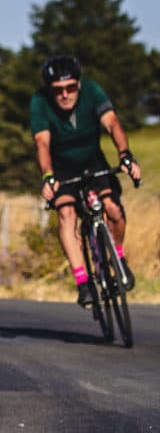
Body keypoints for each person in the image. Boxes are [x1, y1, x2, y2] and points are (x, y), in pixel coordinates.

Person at [31, 55, 142, 307]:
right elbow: (42, 142)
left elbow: (112, 123)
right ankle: (83, 282)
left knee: (112, 209)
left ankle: (118, 258)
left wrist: (125, 155)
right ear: (49, 90)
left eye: (70, 87)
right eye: (58, 90)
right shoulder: (39, 102)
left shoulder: (92, 90)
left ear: (79, 84)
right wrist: (48, 176)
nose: (65, 95)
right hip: (61, 166)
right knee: (66, 213)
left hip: (93, 160)